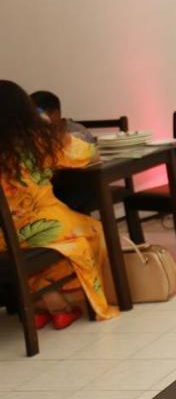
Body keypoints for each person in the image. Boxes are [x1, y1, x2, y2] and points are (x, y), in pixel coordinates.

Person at [0, 81, 119, 327]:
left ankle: (38, 304)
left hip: (2, 236)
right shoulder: (36, 140)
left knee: (42, 248)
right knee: (90, 230)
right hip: (41, 221)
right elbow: (88, 153)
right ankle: (63, 304)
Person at [29, 91, 95, 143]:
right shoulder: (32, 134)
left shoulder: (78, 131)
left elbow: (94, 156)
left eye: (50, 113)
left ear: (58, 112)